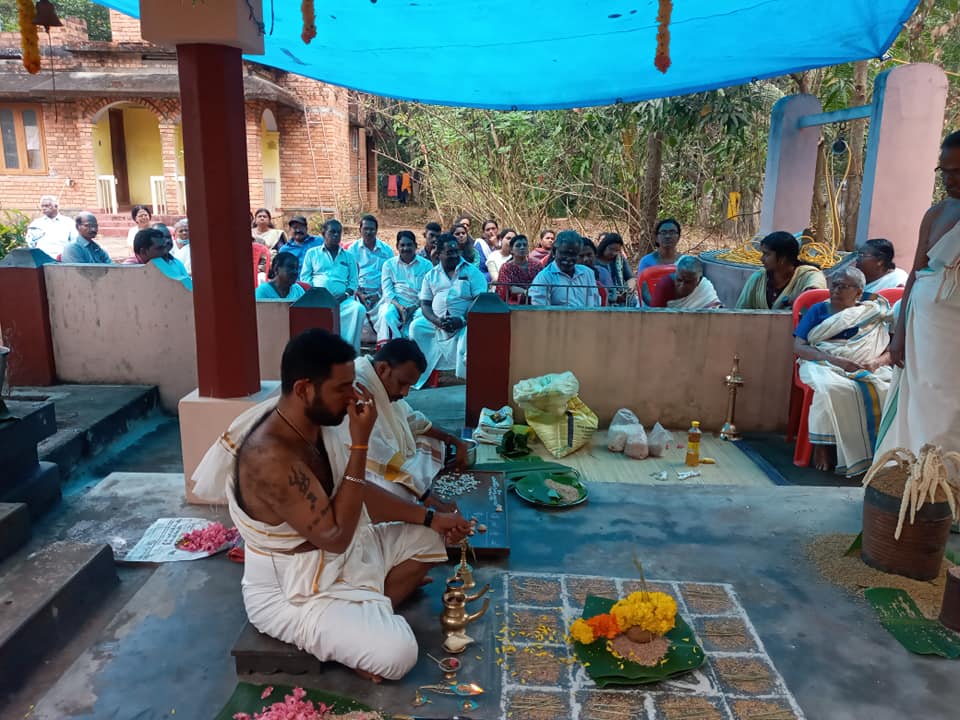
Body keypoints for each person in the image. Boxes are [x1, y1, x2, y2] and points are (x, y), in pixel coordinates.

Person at [192, 329, 473, 682]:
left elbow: (358, 493)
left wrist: (432, 518)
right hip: (294, 589)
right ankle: (362, 623)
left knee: (433, 539)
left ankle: (363, 614)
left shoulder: (317, 422)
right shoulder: (270, 457)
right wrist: (359, 445)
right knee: (399, 653)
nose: (353, 396)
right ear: (303, 389)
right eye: (342, 388)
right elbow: (336, 535)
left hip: (343, 555)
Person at [876, 130, 960, 458]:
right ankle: (916, 480)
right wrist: (898, 337)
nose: (950, 179)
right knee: (923, 400)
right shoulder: (936, 214)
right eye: (945, 171)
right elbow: (915, 273)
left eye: (958, 171)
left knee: (951, 406)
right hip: (924, 326)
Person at [340, 339, 471, 503]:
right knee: (400, 494)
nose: (406, 392)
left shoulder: (379, 379)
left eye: (409, 386)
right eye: (402, 383)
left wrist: (453, 440)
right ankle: (416, 478)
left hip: (394, 454)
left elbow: (411, 419)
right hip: (363, 466)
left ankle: (416, 475)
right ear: (383, 369)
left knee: (434, 440)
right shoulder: (358, 388)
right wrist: (429, 499)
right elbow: (375, 452)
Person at [794, 267, 893, 475]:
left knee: (890, 388)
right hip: (823, 362)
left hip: (866, 364)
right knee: (830, 388)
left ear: (858, 293)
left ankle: (881, 450)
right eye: (834, 285)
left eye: (843, 286)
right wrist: (835, 360)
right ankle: (824, 444)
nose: (836, 290)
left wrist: (875, 363)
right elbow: (799, 347)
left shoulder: (872, 313)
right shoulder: (818, 311)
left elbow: (890, 350)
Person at [408, 234, 487, 389]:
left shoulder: (472, 272)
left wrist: (462, 320)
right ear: (439, 254)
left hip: (465, 322)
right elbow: (425, 304)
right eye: (449, 253)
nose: (455, 256)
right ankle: (422, 375)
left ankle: (466, 381)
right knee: (416, 327)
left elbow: (480, 300)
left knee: (471, 333)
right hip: (437, 323)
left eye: (456, 251)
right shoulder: (431, 275)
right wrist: (436, 320)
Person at [300, 219, 366, 352]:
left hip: (342, 301)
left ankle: (348, 351)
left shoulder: (348, 256)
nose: (336, 235)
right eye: (332, 232)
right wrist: (317, 294)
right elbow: (305, 278)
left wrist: (345, 294)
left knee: (358, 309)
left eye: (338, 232)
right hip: (319, 300)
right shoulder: (312, 254)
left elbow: (353, 282)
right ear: (323, 234)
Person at [736, 231, 827, 309]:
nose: (762, 259)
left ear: (783, 258)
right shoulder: (758, 278)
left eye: (766, 254)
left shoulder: (809, 275)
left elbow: (816, 294)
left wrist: (801, 299)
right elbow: (740, 313)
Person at [376, 231, 432, 346]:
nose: (406, 248)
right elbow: (388, 291)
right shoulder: (389, 265)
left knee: (422, 318)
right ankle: (391, 350)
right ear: (397, 247)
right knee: (386, 314)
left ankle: (417, 353)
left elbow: (428, 292)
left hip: (419, 304)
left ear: (415, 246)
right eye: (402, 245)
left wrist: (414, 306)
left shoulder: (426, 265)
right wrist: (400, 307)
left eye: (409, 245)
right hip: (396, 303)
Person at [529, 231, 601, 308]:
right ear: (554, 252)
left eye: (573, 254)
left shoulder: (587, 273)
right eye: (564, 253)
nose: (569, 258)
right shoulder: (544, 278)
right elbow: (540, 312)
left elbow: (596, 304)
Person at [347, 214, 394, 311]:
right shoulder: (352, 250)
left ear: (376, 231)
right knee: (355, 310)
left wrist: (379, 294)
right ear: (360, 230)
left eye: (372, 229)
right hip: (359, 291)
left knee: (386, 312)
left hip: (381, 292)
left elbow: (391, 276)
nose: (368, 232)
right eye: (365, 229)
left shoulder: (386, 251)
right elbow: (349, 276)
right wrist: (360, 294)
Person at [649, 255, 722, 309]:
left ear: (698, 281)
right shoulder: (664, 285)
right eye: (679, 280)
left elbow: (715, 312)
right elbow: (655, 316)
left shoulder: (705, 287)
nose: (682, 285)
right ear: (676, 274)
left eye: (688, 282)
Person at [496, 234, 542, 304]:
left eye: (525, 245)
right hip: (513, 305)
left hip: (536, 301)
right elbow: (506, 288)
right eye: (518, 245)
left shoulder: (536, 265)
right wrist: (524, 292)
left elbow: (542, 284)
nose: (522, 247)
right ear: (511, 250)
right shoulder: (506, 267)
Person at [596, 233, 637, 305]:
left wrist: (626, 291)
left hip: (621, 294)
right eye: (611, 249)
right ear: (604, 246)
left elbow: (631, 278)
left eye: (617, 251)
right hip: (601, 295)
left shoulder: (620, 260)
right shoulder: (594, 260)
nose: (613, 253)